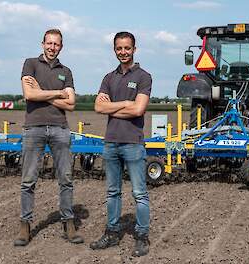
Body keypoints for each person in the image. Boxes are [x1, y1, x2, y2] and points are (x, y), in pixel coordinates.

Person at [14, 28, 83, 246]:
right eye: (49, 43)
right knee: (28, 180)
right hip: (33, 127)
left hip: (60, 128)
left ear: (61, 47)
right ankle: (25, 226)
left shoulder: (66, 71)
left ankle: (68, 224)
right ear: (42, 44)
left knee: (66, 178)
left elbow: (71, 104)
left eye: (57, 44)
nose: (52, 47)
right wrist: (57, 92)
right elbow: (29, 94)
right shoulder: (30, 64)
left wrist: (42, 92)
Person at [90, 31, 152, 257]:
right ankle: (112, 233)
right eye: (119, 48)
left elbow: (138, 109)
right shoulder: (109, 77)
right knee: (112, 192)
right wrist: (126, 102)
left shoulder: (144, 77)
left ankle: (142, 237)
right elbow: (98, 107)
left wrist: (115, 106)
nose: (123, 52)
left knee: (139, 193)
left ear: (134, 49)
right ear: (114, 50)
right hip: (111, 143)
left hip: (133, 143)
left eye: (127, 48)